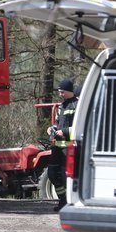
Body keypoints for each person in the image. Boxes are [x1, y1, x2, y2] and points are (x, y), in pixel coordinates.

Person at [47, 78, 78, 212]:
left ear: (69, 91)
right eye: (59, 92)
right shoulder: (61, 106)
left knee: (67, 177)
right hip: (57, 147)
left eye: (62, 92)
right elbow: (58, 123)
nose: (60, 94)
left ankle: (69, 203)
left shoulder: (77, 105)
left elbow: (79, 127)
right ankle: (63, 199)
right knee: (52, 174)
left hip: (69, 147)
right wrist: (52, 128)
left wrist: (64, 131)